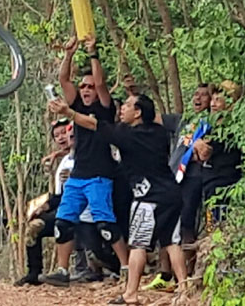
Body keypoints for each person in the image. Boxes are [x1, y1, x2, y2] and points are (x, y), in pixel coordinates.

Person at [54, 93, 189, 305]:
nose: (122, 108)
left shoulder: (127, 135)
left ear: (138, 113)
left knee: (138, 245)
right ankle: (184, 288)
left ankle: (131, 293)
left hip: (147, 198)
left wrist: (68, 112)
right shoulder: (159, 132)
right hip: (171, 194)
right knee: (172, 242)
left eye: (127, 105)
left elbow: (93, 124)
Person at [39, 35, 129, 287]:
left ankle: (125, 266)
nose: (87, 89)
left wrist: (92, 52)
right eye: (83, 86)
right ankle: (62, 270)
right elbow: (63, 80)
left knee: (105, 223)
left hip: (100, 174)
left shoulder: (104, 108)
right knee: (63, 222)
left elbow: (100, 83)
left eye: (90, 87)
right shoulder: (76, 103)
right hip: (78, 174)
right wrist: (68, 54)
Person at [148, 82, 214, 291]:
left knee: (186, 223)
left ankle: (186, 275)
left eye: (204, 95)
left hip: (193, 177)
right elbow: (152, 116)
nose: (198, 98)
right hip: (172, 176)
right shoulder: (183, 120)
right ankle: (164, 273)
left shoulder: (212, 123)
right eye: (196, 94)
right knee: (164, 221)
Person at [15, 117, 74, 286]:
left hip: (82, 211)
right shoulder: (64, 161)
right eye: (57, 135)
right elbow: (59, 195)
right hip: (63, 207)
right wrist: (43, 207)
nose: (62, 138)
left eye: (65, 133)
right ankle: (34, 273)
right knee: (34, 225)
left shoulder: (88, 157)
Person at [199, 81, 243, 229]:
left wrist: (201, 146)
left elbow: (205, 152)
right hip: (209, 182)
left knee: (220, 226)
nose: (213, 104)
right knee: (211, 225)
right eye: (212, 99)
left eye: (218, 100)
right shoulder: (208, 125)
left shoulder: (234, 127)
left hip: (225, 182)